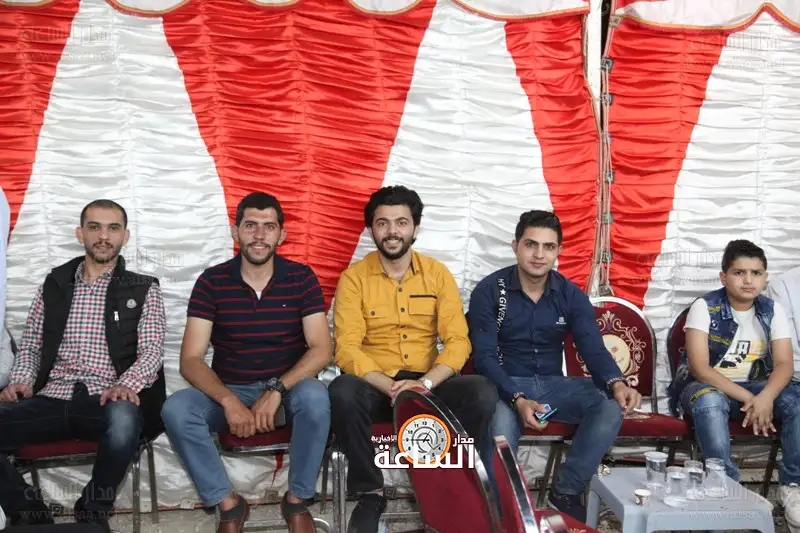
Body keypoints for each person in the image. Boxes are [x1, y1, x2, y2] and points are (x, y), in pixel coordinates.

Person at [329, 185, 498, 533]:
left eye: (401, 222)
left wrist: (423, 384)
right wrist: (391, 386)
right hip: (378, 387)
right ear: (371, 229)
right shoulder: (354, 279)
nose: (392, 231)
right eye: (383, 223)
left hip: (427, 386)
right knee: (342, 390)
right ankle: (371, 493)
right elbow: (347, 348)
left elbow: (458, 341)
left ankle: (454, 485)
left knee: (481, 391)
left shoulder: (437, 274)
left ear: (415, 228)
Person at [161, 192, 332, 533]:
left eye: (269, 227)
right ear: (235, 231)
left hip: (287, 391)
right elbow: (191, 360)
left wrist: (276, 389)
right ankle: (228, 504)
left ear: (281, 235)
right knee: (176, 409)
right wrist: (229, 401)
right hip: (230, 390)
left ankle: (297, 500)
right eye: (250, 225)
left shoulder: (301, 278)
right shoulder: (211, 282)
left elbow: (321, 349)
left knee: (316, 396)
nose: (259, 235)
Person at [0, 199, 167, 532]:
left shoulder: (143, 288)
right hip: (51, 398)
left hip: (105, 399)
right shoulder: (54, 285)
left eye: (113, 228)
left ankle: (92, 511)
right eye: (94, 227)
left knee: (123, 420)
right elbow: (31, 345)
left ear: (125, 237)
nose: (103, 236)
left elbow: (151, 353)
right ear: (81, 234)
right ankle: (28, 513)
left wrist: (125, 386)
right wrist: (21, 380)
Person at [468, 210, 641, 522]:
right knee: (500, 430)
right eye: (531, 244)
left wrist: (617, 382)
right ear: (515, 246)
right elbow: (485, 357)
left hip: (553, 386)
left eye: (548, 247)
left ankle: (565, 491)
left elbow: (592, 347)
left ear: (558, 251)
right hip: (506, 387)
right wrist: (517, 398)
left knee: (608, 405)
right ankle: (505, 514)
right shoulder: (490, 290)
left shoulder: (569, 293)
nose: (539, 254)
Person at [669, 239, 799, 528]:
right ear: (724, 277)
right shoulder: (705, 307)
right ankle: (725, 485)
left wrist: (766, 396)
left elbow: (784, 364)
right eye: (739, 272)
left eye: (756, 273)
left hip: (755, 387)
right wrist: (752, 399)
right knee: (710, 401)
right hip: (705, 387)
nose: (748, 280)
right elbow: (701, 369)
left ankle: (792, 487)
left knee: (796, 401)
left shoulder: (772, 310)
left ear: (765, 278)